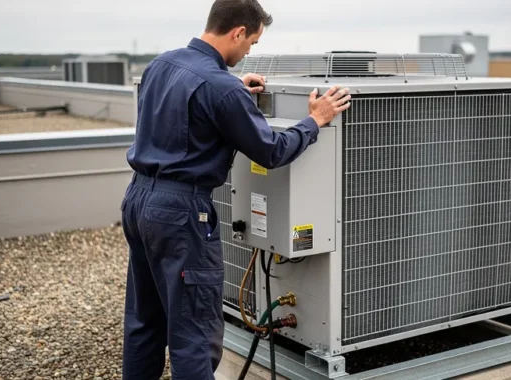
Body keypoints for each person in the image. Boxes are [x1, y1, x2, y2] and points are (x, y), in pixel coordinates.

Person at [118, 0, 351, 379]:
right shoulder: (222, 89)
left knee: (146, 320)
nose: (248, 52)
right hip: (181, 213)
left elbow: (181, 113)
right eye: (252, 42)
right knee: (193, 332)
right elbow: (272, 152)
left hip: (138, 201)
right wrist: (316, 120)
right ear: (238, 32)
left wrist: (235, 91)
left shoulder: (161, 65)